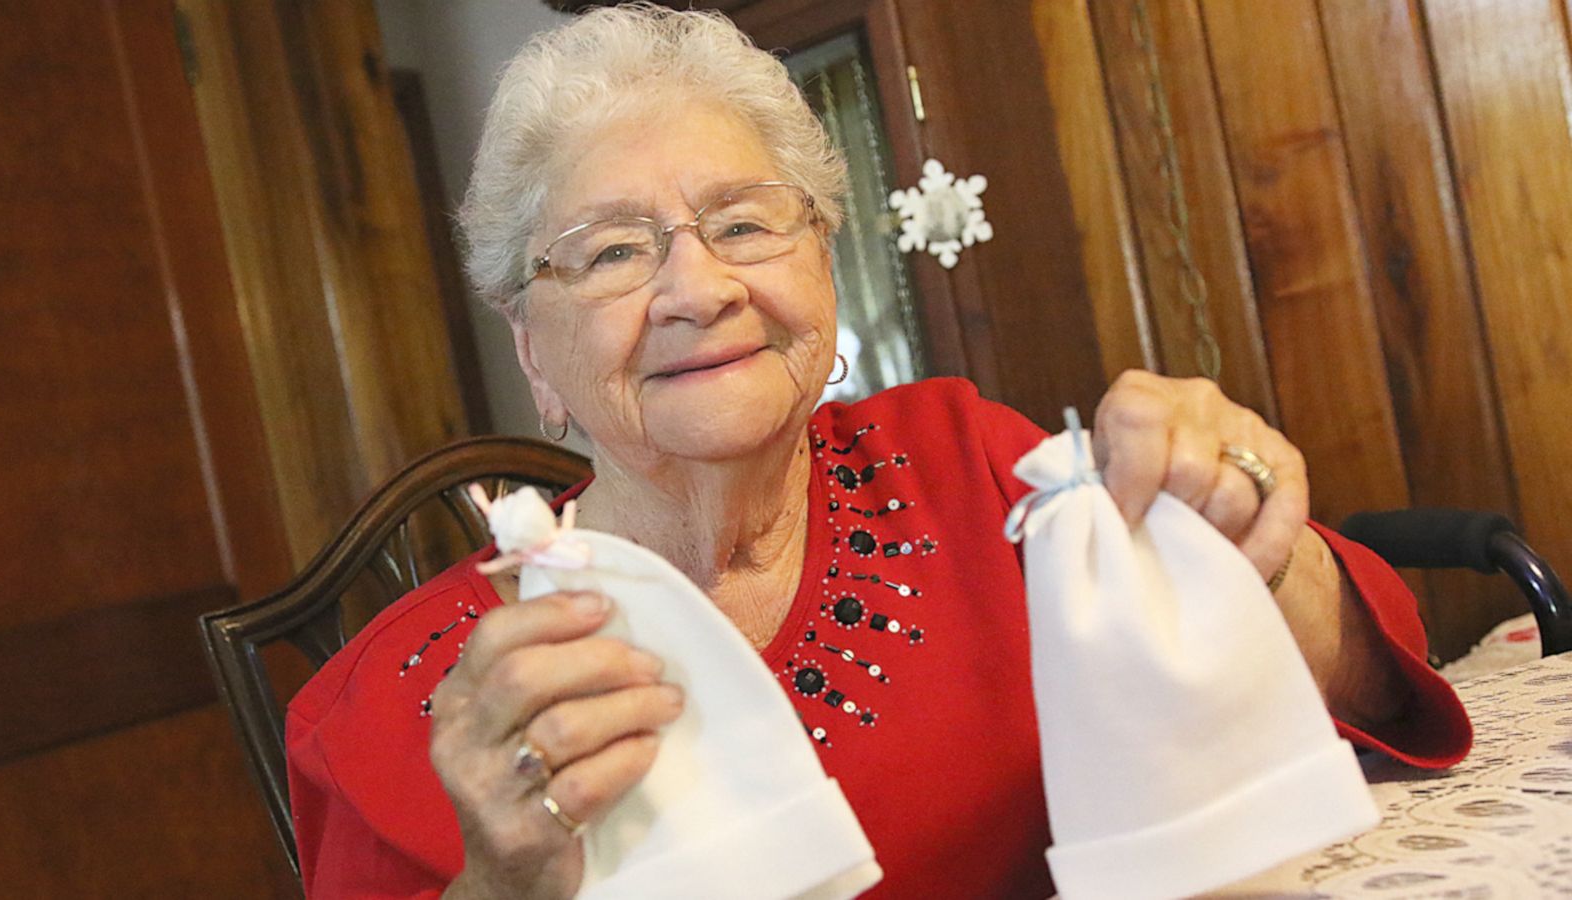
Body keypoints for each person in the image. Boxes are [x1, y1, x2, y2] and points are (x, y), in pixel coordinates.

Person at [285, 5, 1471, 898]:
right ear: (531, 346)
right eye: (609, 253)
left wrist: (1244, 540)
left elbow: (1371, 682)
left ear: (824, 272)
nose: (700, 287)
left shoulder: (968, 467)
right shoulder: (386, 712)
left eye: (746, 223)